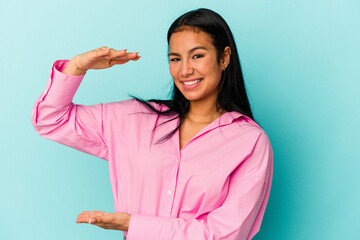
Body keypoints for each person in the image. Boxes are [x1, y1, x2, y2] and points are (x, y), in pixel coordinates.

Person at [31, 8, 273, 240]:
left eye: (197, 56)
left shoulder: (249, 141)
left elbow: (225, 234)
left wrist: (131, 224)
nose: (185, 70)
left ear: (224, 58)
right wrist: (77, 66)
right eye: (175, 58)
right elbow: (50, 120)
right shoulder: (133, 119)